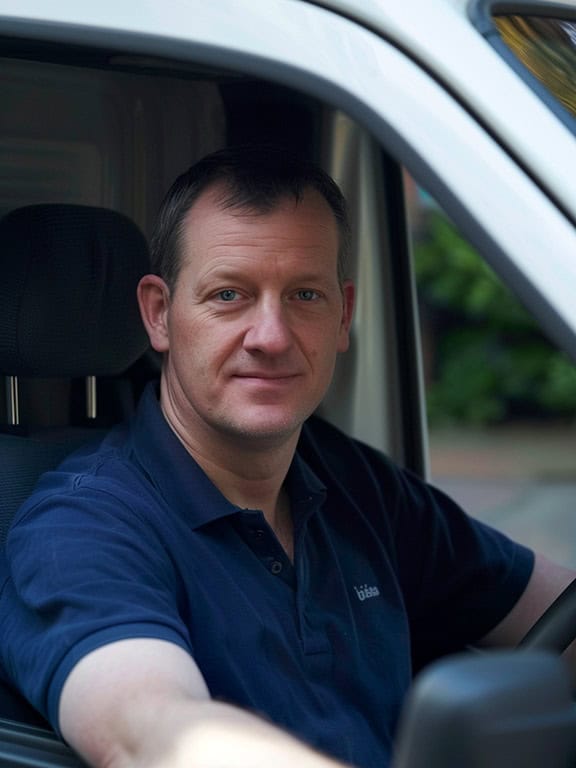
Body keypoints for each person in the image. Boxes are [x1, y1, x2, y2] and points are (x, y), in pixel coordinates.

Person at [1, 146, 575, 768]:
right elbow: (156, 735)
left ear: (344, 315)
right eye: (229, 295)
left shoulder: (347, 478)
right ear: (160, 315)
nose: (271, 337)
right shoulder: (80, 527)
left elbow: (553, 612)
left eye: (304, 295)